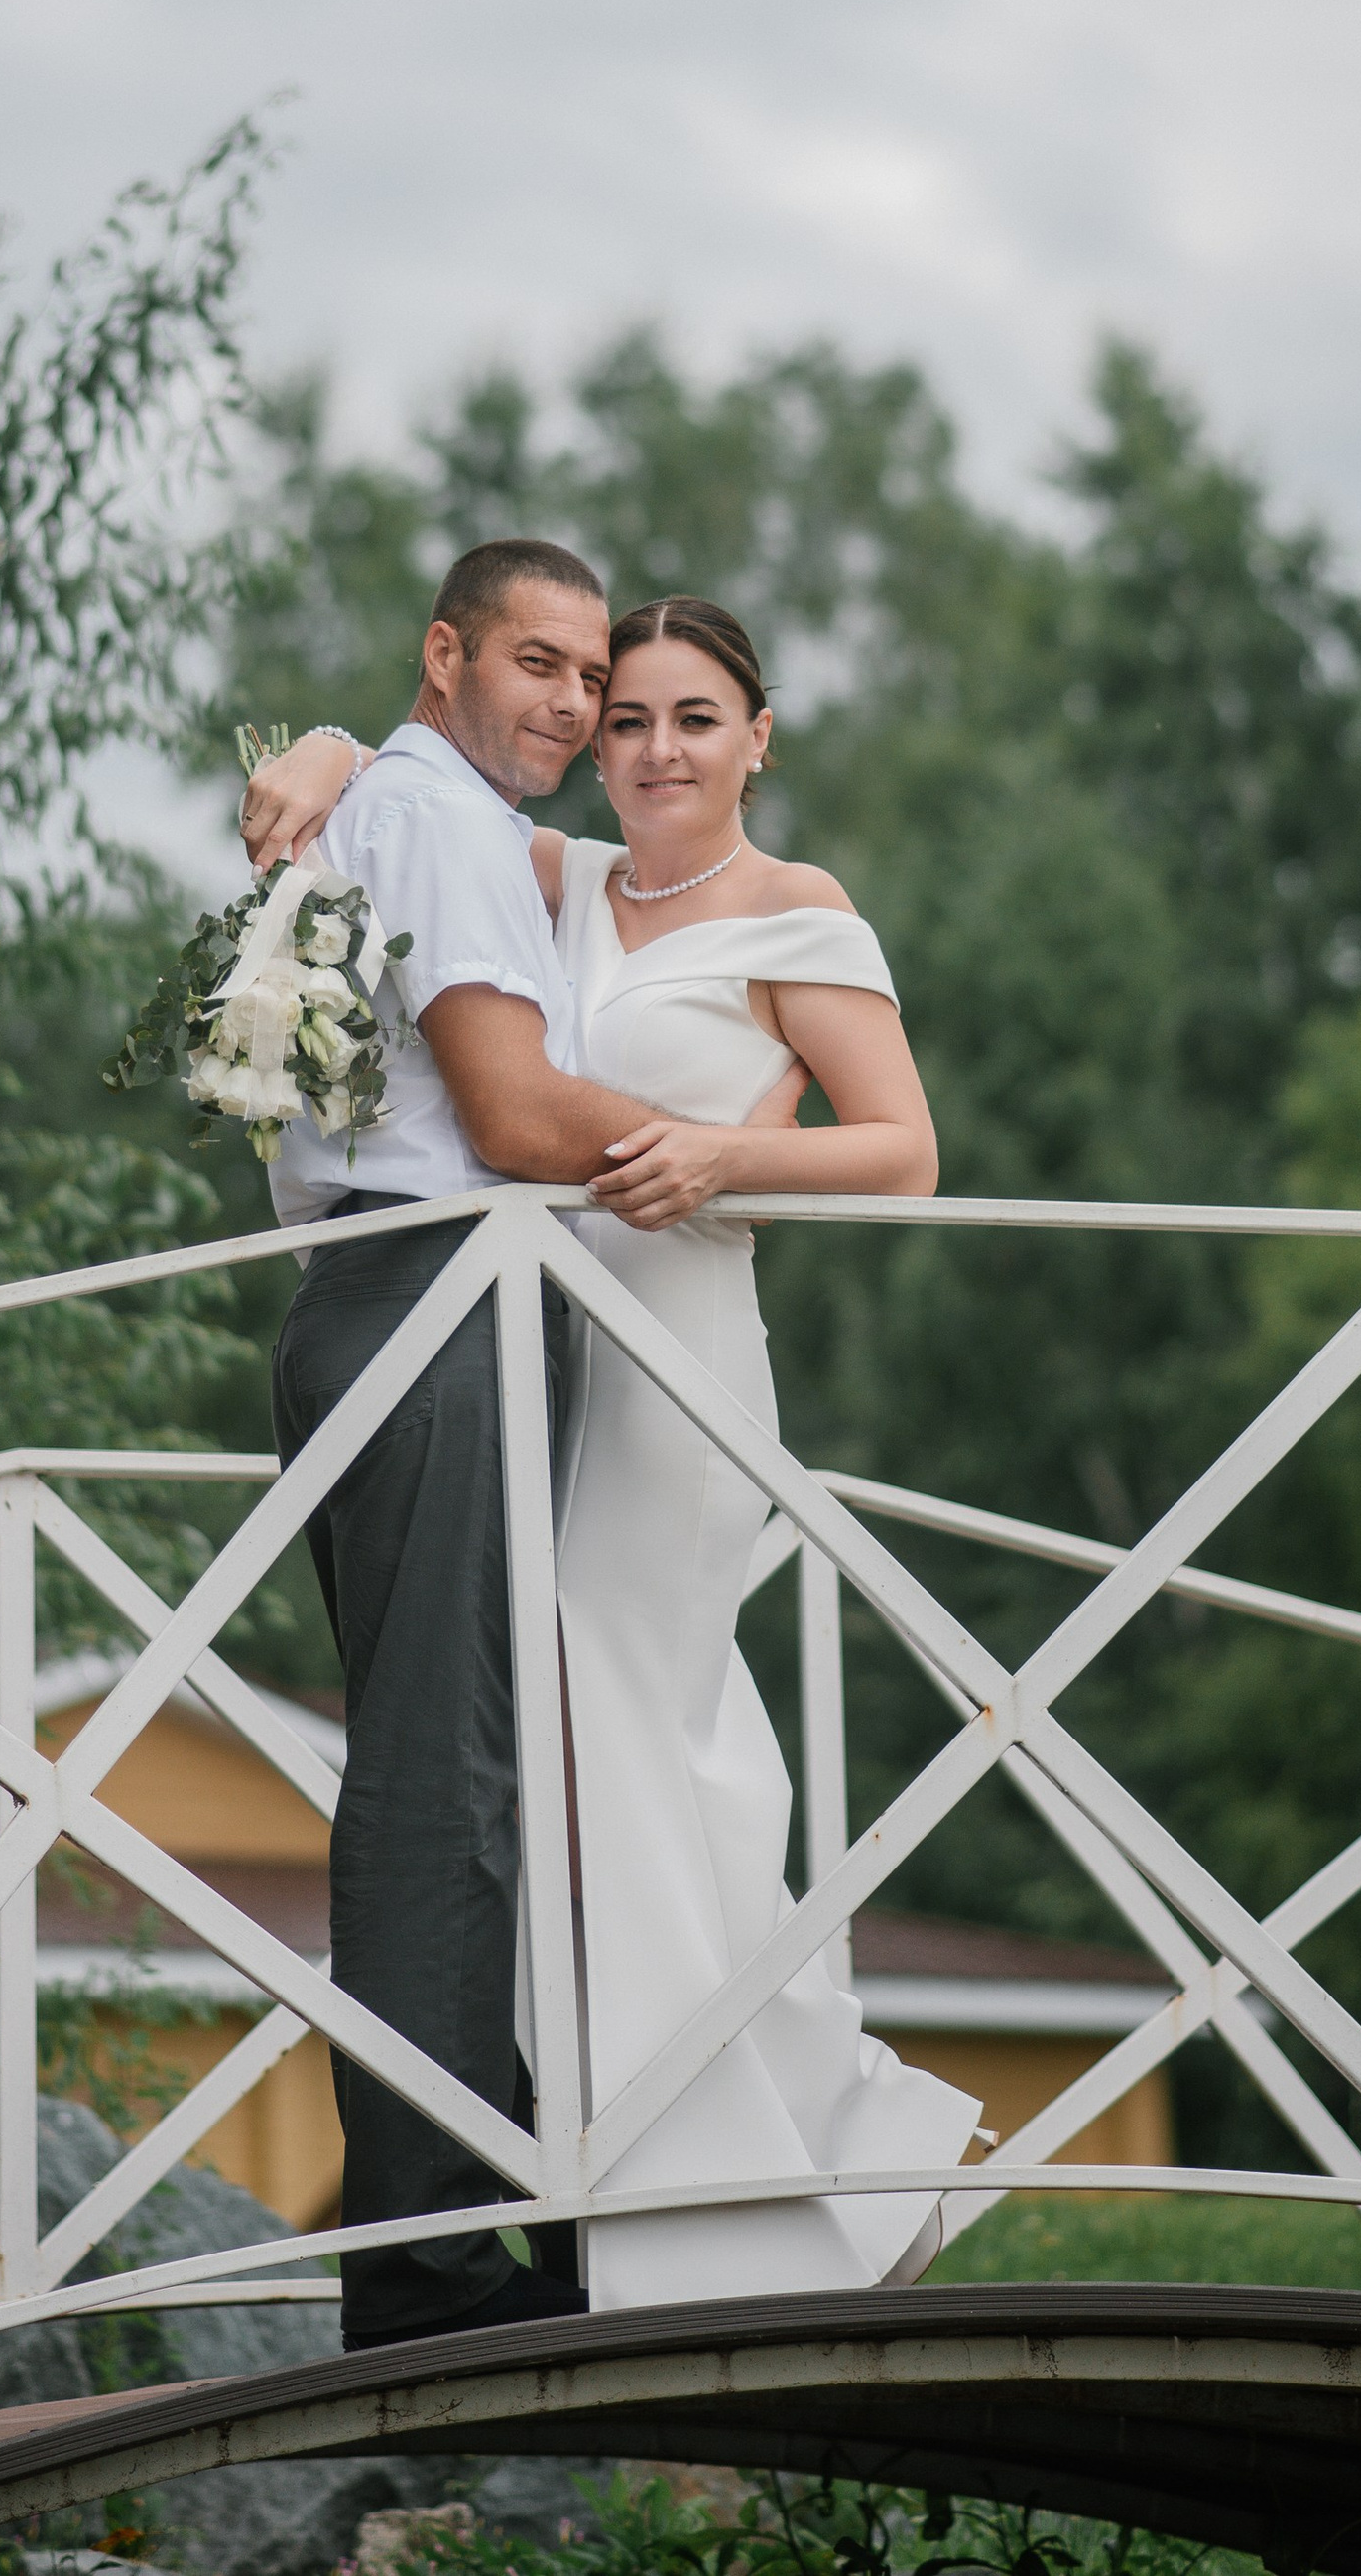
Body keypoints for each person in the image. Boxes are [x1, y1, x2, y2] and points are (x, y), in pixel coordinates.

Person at [244, 592, 981, 2313]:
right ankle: (633, 2177)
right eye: (626, 715)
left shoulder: (799, 913)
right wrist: (334, 746)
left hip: (676, 1355)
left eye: (692, 718)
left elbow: (905, 1153)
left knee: (649, 1736)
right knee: (560, 1765)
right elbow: (419, 801)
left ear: (758, 737)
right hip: (539, 1347)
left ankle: (735, 2179)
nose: (650, 746)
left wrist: (720, 1158)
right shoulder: (565, 880)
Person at [258, 535, 687, 2350]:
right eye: (540, 662)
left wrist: (334, 749)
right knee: (444, 1781)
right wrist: (708, 1148)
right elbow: (509, 1113)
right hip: (436, 1294)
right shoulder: (433, 818)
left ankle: (487, 2213)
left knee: (476, 1772)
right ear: (447, 655)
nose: (576, 702)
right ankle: (428, 2270)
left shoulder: (417, 799)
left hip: (417, 1304)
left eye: (592, 676)